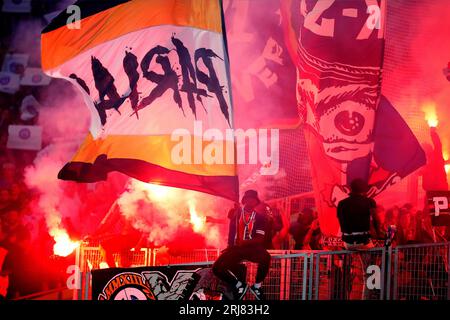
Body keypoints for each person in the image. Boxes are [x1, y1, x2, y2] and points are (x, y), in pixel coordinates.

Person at [212, 190, 271, 300]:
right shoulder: (236, 213)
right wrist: (229, 245)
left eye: (252, 199)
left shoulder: (260, 218)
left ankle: (257, 286)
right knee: (217, 268)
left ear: (256, 202)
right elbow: (230, 223)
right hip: (236, 248)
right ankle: (239, 285)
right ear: (244, 201)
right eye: (247, 199)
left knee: (266, 257)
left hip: (251, 248)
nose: (250, 201)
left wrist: (245, 242)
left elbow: (260, 239)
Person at [337, 179, 382, 249]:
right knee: (372, 257)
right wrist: (378, 233)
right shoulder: (369, 201)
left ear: (351, 189)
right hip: (363, 241)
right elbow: (376, 219)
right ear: (364, 189)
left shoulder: (341, 203)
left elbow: (341, 220)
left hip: (347, 242)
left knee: (351, 257)